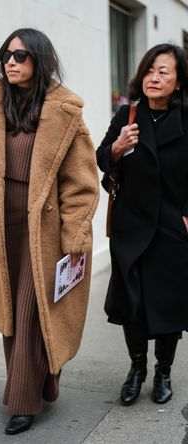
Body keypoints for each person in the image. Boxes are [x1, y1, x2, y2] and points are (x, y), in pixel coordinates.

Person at [0, 28, 99, 434]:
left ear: (40, 59)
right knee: (12, 311)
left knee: (33, 308)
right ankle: (42, 379)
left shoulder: (66, 110)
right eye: (6, 56)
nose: (10, 63)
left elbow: (81, 183)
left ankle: (22, 401)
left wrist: (76, 236)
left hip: (44, 227)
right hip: (0, 224)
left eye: (20, 56)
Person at [97, 43, 188, 406]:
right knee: (132, 304)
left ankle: (163, 372)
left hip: (170, 228)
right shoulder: (127, 115)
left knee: (168, 304)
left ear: (179, 82)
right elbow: (103, 160)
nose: (154, 77)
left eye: (163, 71)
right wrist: (118, 148)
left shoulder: (185, 118)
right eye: (150, 70)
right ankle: (137, 370)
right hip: (131, 226)